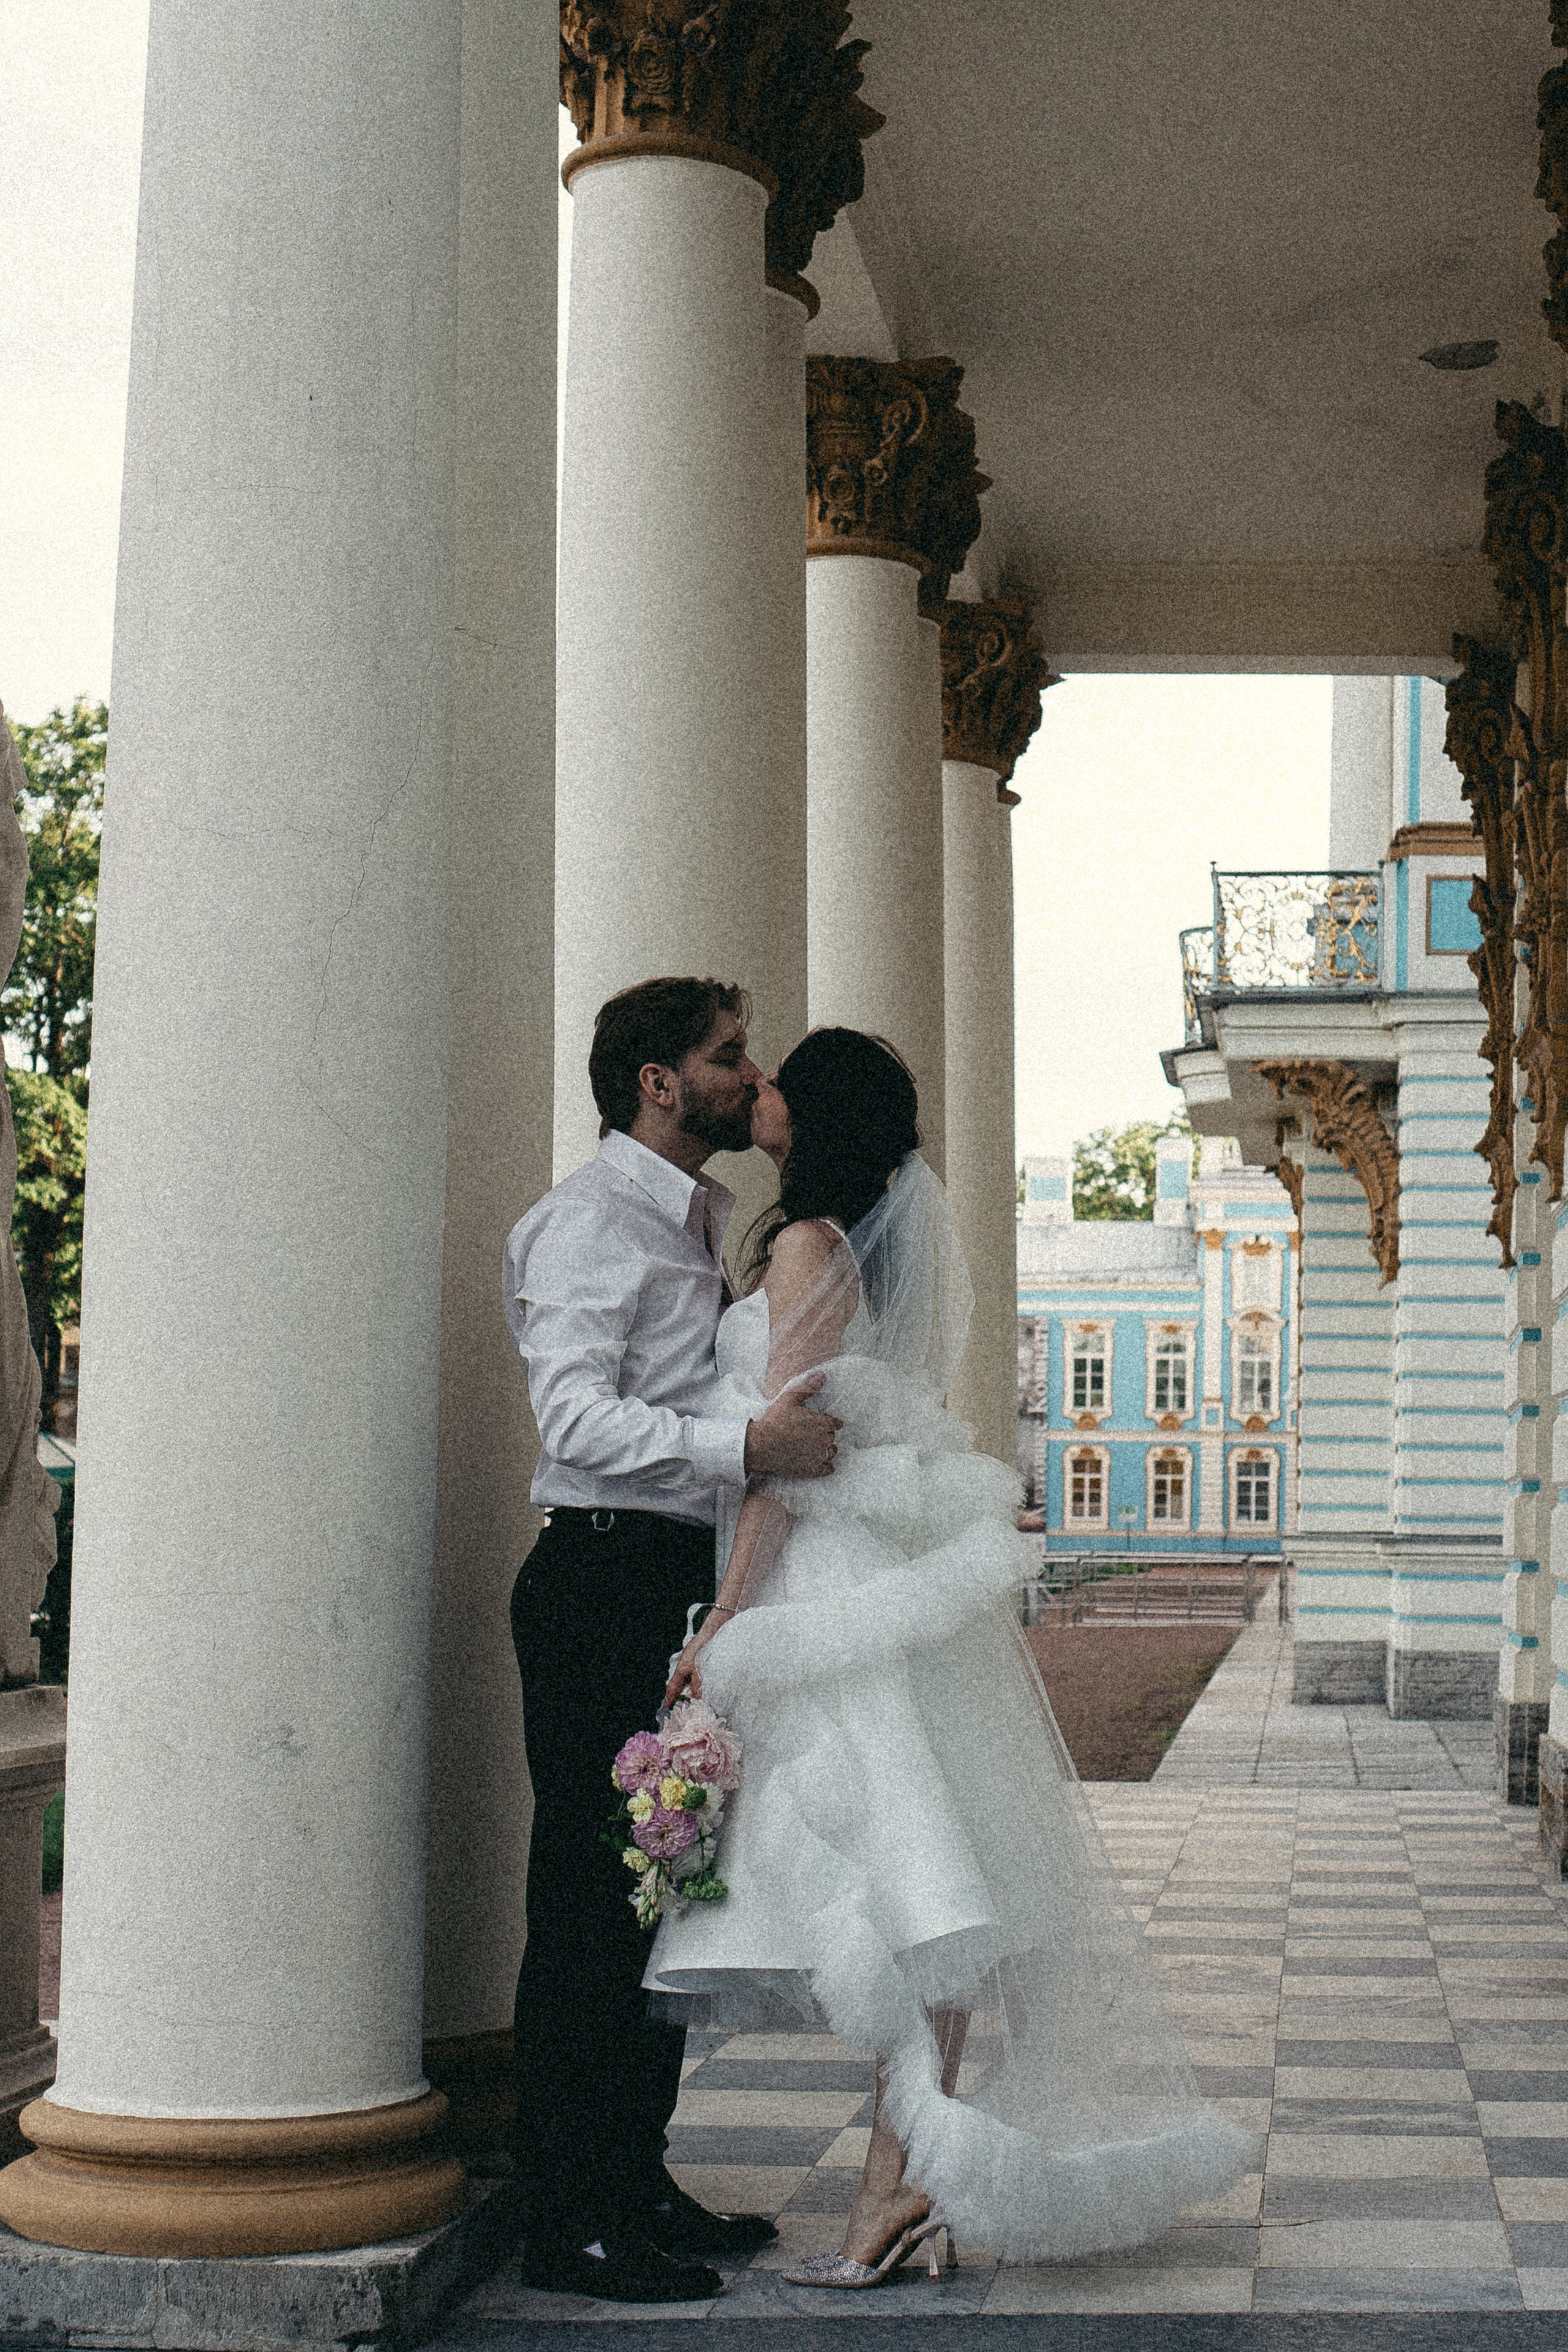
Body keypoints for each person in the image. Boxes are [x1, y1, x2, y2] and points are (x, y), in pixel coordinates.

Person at [646, 1027, 1250, 2287]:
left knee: (913, 1882)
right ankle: (901, 2179)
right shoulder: (820, 1239)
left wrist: (725, 1622)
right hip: (860, 1579)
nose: (755, 1090)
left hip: (821, 1582)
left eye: (774, 1082)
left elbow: (786, 1452)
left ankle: (898, 2182)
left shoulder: (808, 1246)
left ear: (810, 1117)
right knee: (920, 1882)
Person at [502, 977, 842, 2304]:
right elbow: (573, 1423)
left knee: (656, 1896)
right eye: (724, 1056)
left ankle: (631, 2178)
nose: (745, 1075)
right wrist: (742, 1443)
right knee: (587, 1907)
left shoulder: (693, 1213)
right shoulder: (587, 1225)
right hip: (594, 1582)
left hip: (667, 1585)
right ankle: (565, 2215)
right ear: (655, 1080)